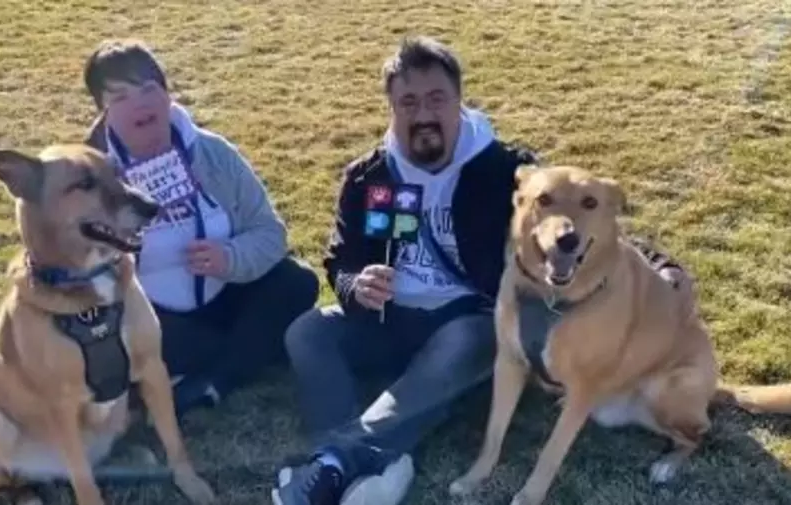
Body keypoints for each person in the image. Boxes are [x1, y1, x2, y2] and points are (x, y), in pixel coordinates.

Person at [272, 36, 692, 505]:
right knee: (307, 331)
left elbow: (573, 222)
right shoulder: (369, 177)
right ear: (391, 108)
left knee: (471, 337)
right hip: (387, 320)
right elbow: (342, 255)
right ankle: (375, 458)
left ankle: (334, 463)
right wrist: (355, 283)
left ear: (459, 102)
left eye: (437, 99)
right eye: (408, 102)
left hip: (466, 320)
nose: (423, 114)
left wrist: (661, 267)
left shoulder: (505, 170)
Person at [81, 39, 320, 418]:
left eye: (149, 89)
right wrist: (123, 248)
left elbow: (269, 232)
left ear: (167, 96)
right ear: (103, 113)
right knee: (113, 341)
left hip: (227, 294)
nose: (141, 104)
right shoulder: (90, 177)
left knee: (298, 283)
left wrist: (231, 257)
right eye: (121, 97)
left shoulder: (212, 153)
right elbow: (78, 276)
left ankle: (211, 380)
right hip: (155, 319)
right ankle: (245, 356)